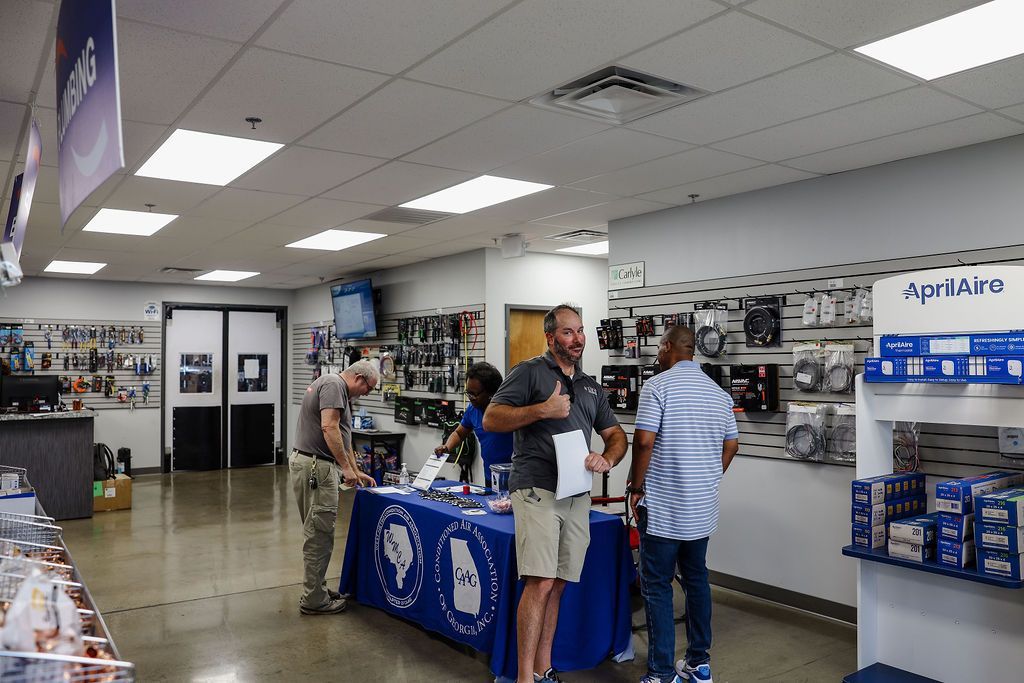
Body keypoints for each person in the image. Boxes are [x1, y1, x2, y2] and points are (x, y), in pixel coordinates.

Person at [484, 304, 627, 683]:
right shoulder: (529, 371)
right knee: (540, 581)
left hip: (576, 493)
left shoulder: (590, 385)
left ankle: (542, 669)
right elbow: (492, 418)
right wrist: (541, 410)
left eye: (580, 331)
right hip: (536, 489)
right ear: (550, 337)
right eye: (568, 332)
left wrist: (606, 457)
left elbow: (616, 436)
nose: (578, 339)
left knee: (559, 583)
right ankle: (523, 679)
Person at [629, 325, 739, 683]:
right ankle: (698, 663)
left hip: (663, 506)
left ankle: (661, 672)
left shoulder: (657, 386)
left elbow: (644, 442)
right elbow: (732, 445)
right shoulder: (718, 394)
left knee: (657, 585)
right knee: (697, 580)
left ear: (666, 347)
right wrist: (708, 477)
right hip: (701, 508)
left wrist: (635, 486)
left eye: (659, 348)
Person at [289, 359, 379, 616]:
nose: (367, 393)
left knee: (317, 530)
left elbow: (342, 434)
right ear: (359, 378)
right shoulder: (333, 385)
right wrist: (345, 468)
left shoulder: (333, 386)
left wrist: (354, 467)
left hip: (311, 464)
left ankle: (317, 588)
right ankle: (314, 600)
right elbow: (328, 427)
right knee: (319, 534)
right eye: (369, 388)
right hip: (318, 467)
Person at [434, 361, 513, 481]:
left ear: (491, 393)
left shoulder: (510, 410)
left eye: (474, 394)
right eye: (468, 393)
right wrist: (447, 447)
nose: (470, 398)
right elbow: (459, 433)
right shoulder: (472, 410)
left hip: (516, 479)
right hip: (491, 477)